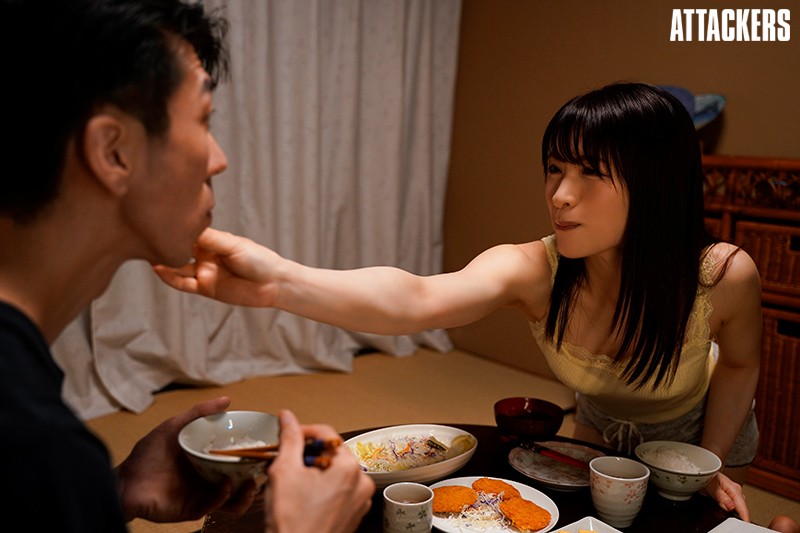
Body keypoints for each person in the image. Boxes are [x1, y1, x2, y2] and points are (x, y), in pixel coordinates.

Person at [155, 81, 797, 528]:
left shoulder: (721, 276)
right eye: (555, 169)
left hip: (698, 434)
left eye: (589, 173)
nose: (560, 195)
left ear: (656, 187)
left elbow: (740, 365)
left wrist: (710, 465)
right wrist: (278, 282)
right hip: (601, 424)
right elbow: (416, 297)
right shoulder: (536, 270)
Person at [0, 1, 374, 531]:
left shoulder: (43, 452)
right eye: (203, 119)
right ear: (112, 151)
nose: (219, 159)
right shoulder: (36, 444)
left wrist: (114, 492)